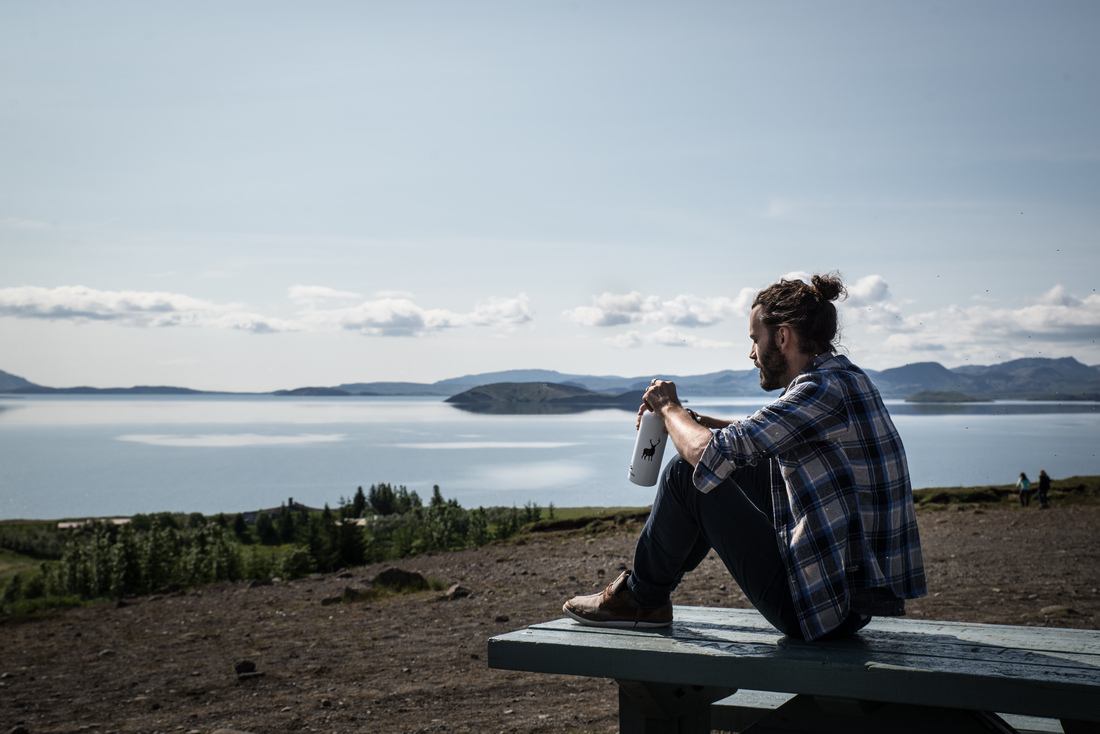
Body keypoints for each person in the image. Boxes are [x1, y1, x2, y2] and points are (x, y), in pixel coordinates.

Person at [563, 273, 927, 641]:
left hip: (818, 609)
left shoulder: (819, 389)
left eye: (755, 338)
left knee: (686, 474)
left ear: (782, 337)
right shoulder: (845, 379)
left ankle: (642, 599)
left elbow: (707, 454)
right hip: (851, 602)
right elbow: (762, 435)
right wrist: (693, 421)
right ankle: (646, 594)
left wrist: (669, 407)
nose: (751, 353)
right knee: (736, 462)